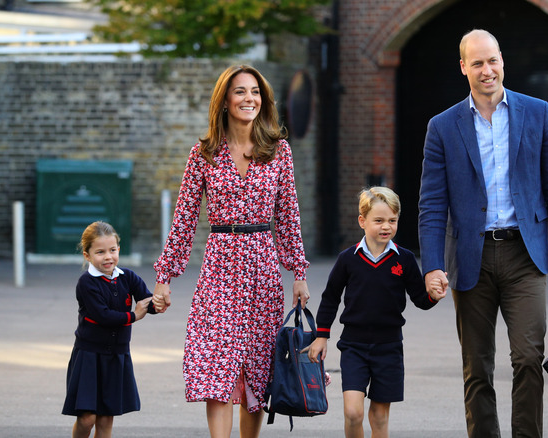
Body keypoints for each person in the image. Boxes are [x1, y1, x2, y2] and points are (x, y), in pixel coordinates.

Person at [418, 29, 548, 437]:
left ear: (502, 61)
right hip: (469, 256)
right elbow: (432, 205)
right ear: (463, 68)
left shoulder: (537, 112)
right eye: (477, 63)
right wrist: (432, 266)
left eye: (492, 60)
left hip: (524, 255)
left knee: (528, 357)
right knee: (477, 366)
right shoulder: (442, 127)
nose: (487, 70)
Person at [151, 64, 311, 438]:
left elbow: (288, 216)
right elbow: (184, 219)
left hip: (262, 269)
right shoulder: (203, 153)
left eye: (255, 92)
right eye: (240, 92)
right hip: (220, 268)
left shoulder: (279, 151)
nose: (248, 99)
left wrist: (299, 274)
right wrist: (165, 277)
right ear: (224, 100)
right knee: (216, 367)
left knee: (256, 370)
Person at [307, 186, 446, 438]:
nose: (386, 226)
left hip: (389, 347)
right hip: (353, 346)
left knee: (379, 418)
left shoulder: (404, 259)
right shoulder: (347, 259)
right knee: (353, 413)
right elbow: (330, 298)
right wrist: (321, 335)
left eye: (392, 221)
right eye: (379, 220)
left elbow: (420, 299)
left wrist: (433, 296)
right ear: (362, 221)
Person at [62, 221, 156, 438]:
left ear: (118, 250)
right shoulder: (87, 283)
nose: (108, 257)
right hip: (89, 355)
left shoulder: (128, 277)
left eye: (112, 250)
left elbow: (146, 300)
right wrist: (134, 315)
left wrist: (157, 303)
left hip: (116, 355)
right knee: (87, 419)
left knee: (105, 419)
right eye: (100, 252)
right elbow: (103, 316)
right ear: (87, 255)